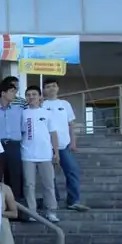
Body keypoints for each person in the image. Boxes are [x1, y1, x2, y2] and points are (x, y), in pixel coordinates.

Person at [42, 79, 88, 212]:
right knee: (50, 175)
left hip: (64, 145)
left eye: (54, 86)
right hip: (47, 146)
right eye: (48, 86)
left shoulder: (65, 104)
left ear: (58, 88)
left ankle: (73, 201)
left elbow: (71, 125)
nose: (51, 88)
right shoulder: (42, 105)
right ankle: (54, 200)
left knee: (72, 171)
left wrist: (73, 142)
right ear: (44, 90)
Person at [21, 85, 59, 222]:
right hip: (27, 154)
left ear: (40, 97)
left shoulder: (47, 113)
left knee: (48, 184)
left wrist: (56, 152)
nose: (31, 97)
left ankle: (51, 211)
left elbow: (53, 134)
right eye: (28, 95)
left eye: (34, 94)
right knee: (29, 185)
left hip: (45, 154)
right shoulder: (23, 113)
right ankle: (32, 212)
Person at [0, 81, 25, 201]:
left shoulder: (19, 110)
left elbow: (23, 129)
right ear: (3, 93)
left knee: (15, 175)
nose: (14, 94)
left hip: (14, 145)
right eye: (12, 91)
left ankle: (16, 205)